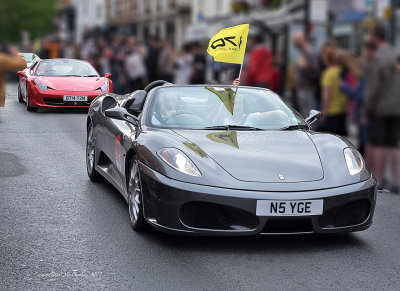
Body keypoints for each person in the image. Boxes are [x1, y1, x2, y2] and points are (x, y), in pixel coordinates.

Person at [362, 24, 400, 192]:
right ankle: (396, 181)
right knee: (393, 144)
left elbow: (372, 89)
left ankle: (380, 178)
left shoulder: (377, 58)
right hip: (397, 107)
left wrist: (366, 111)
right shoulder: (395, 55)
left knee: (378, 144)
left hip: (381, 107)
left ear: (376, 37)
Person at [319, 47, 348, 136]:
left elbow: (327, 93)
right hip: (343, 109)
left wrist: (323, 111)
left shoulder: (328, 73)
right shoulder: (343, 71)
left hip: (331, 111)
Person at [292, 32, 319, 118]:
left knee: (309, 115)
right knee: (305, 114)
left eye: (295, 40)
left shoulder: (309, 53)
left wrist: (304, 68)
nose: (294, 43)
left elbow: (315, 73)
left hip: (307, 89)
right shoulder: (304, 52)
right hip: (303, 89)